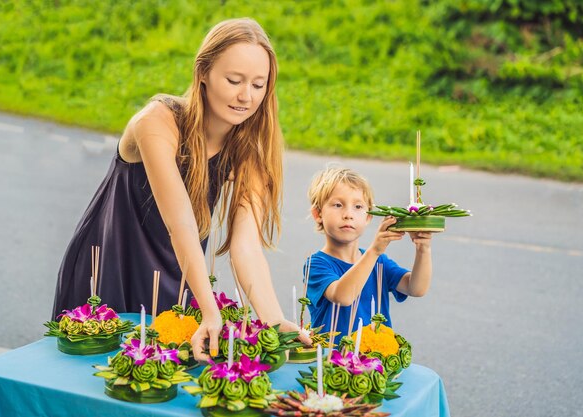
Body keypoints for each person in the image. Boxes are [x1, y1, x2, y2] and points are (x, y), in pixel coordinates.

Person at [53, 18, 309, 361]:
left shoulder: (249, 151)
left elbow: (245, 247)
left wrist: (273, 319)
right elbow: (181, 223)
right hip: (108, 269)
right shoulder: (156, 121)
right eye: (234, 80)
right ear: (202, 73)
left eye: (258, 85)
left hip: (181, 278)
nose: (246, 96)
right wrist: (210, 309)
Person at [305, 167, 433, 337]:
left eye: (358, 206)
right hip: (333, 360)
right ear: (318, 214)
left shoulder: (379, 262)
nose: (348, 214)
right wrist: (374, 251)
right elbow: (343, 296)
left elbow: (416, 288)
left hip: (376, 358)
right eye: (337, 205)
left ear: (368, 217)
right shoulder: (316, 264)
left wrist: (423, 249)